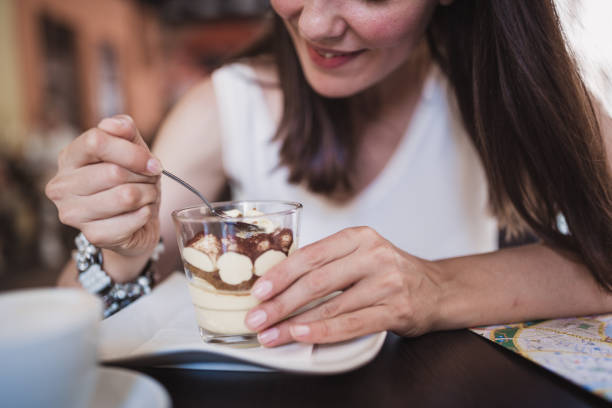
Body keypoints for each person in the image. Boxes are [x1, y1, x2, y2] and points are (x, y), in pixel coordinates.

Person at [46, 0, 612, 347]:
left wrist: (436, 289)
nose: (315, 24)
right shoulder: (226, 106)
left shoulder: (511, 96)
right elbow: (70, 317)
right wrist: (119, 251)